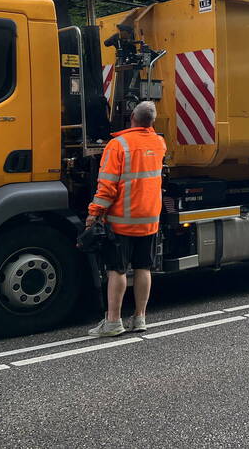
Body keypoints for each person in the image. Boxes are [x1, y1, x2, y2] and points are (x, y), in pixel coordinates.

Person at [86, 101, 166, 337]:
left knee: (117, 270)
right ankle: (140, 318)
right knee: (144, 267)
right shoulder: (159, 143)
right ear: (152, 122)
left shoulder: (118, 145)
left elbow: (107, 187)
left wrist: (94, 213)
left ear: (131, 117)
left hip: (122, 220)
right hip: (149, 218)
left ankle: (113, 322)